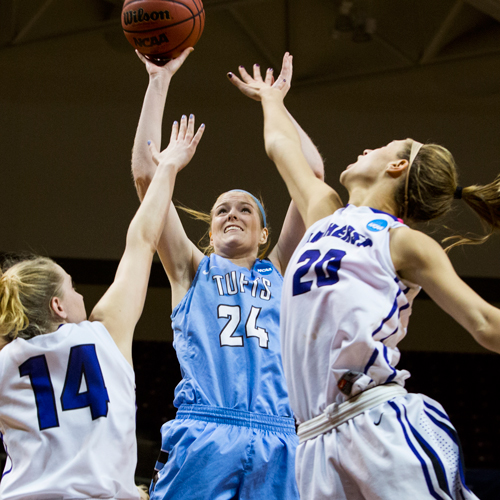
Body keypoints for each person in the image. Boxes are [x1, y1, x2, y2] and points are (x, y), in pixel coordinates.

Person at [231, 62, 500, 500]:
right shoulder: (324, 211)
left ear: (396, 165)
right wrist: (272, 100)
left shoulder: (403, 242)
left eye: (381, 146)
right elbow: (281, 145)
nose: (365, 148)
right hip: (313, 440)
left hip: (377, 422)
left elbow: (485, 323)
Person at [131, 49, 323, 500]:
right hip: (205, 429)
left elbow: (312, 173)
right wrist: (158, 81)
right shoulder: (190, 269)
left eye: (244, 209)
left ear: (264, 233)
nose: (232, 214)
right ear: (210, 229)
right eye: (221, 210)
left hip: (278, 433)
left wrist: (275, 103)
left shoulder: (278, 268)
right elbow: (145, 177)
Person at [0, 116, 204, 499]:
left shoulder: (4, 362)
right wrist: (169, 168)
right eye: (73, 288)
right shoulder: (104, 332)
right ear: (58, 306)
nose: (82, 297)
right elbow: (143, 239)